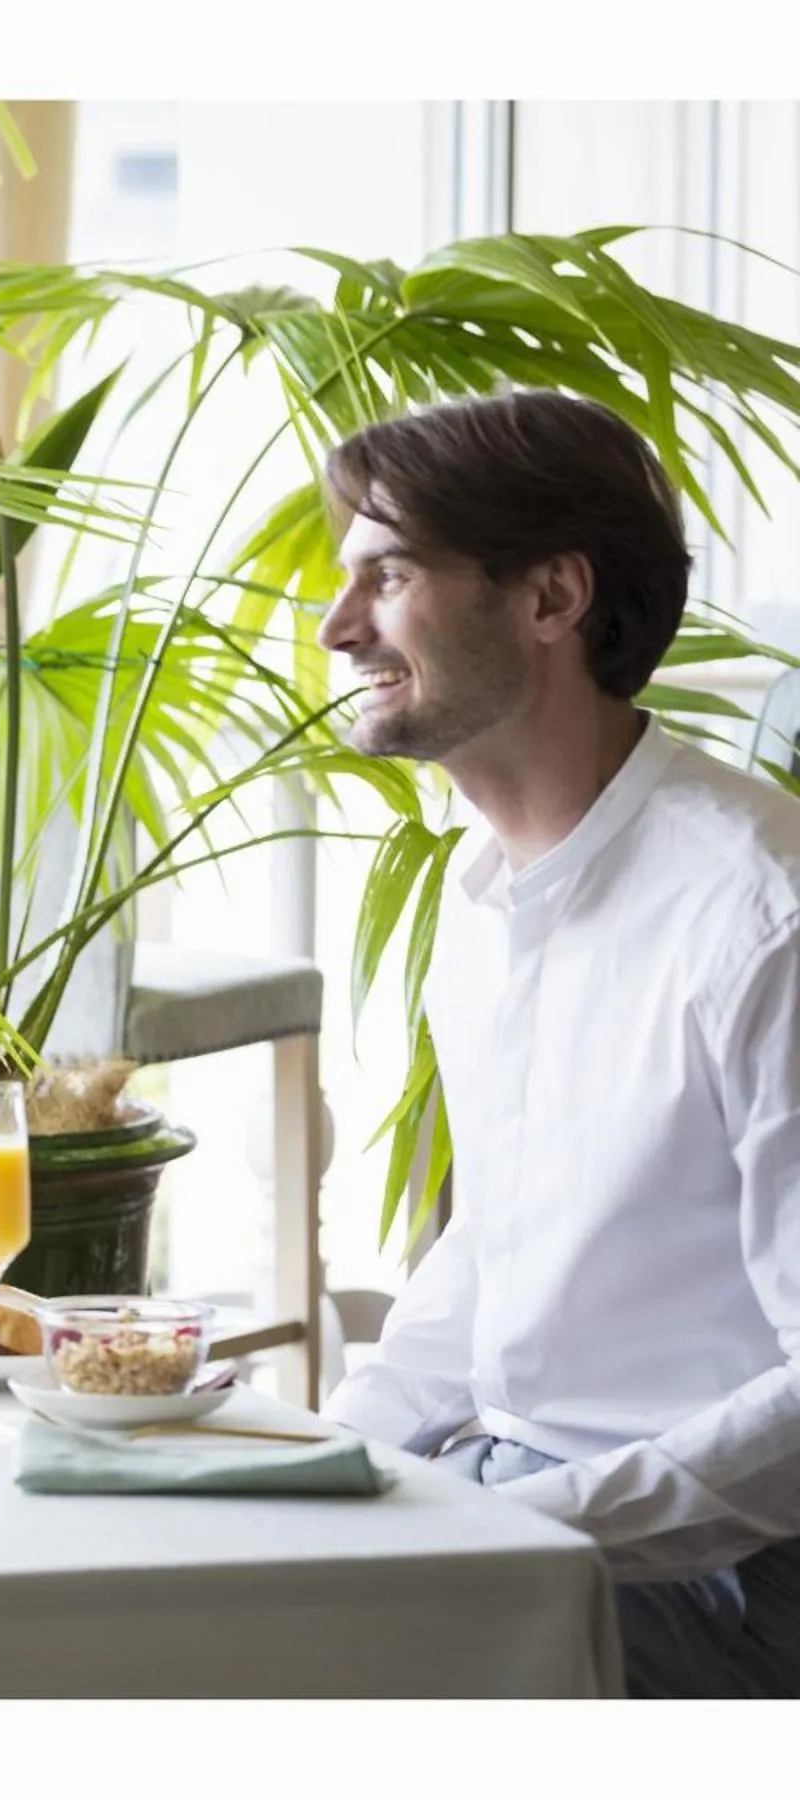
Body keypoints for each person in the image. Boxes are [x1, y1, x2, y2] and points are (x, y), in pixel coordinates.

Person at [312, 389, 800, 1699]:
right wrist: (314, 1468)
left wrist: (515, 1532)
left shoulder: (764, 912)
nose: (336, 627)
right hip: (526, 1494)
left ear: (551, 599)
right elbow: (495, 1252)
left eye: (390, 574)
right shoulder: (484, 897)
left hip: (734, 1570)